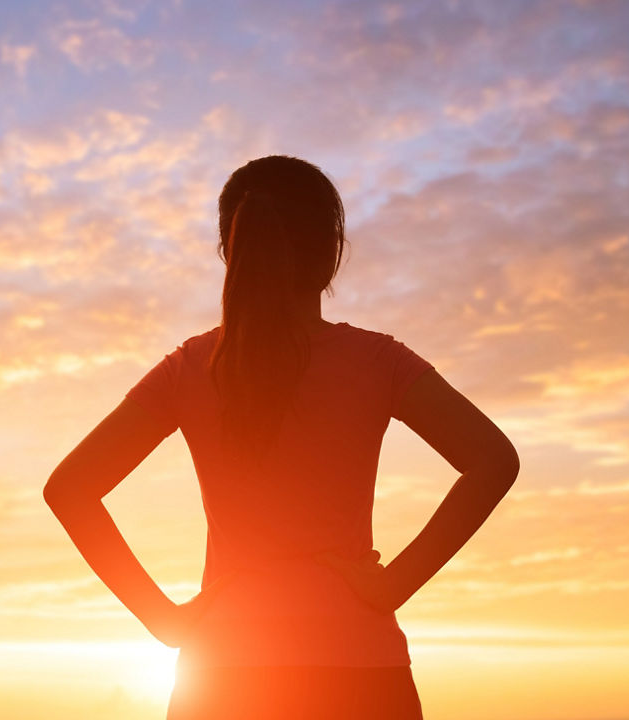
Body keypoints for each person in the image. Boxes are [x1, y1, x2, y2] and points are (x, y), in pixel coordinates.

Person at [43, 155, 521, 719]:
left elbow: (69, 488)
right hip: (360, 672)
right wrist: (394, 586)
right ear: (331, 253)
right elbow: (493, 460)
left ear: (231, 251)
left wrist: (163, 618)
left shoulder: (192, 367)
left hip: (223, 677)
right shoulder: (379, 362)